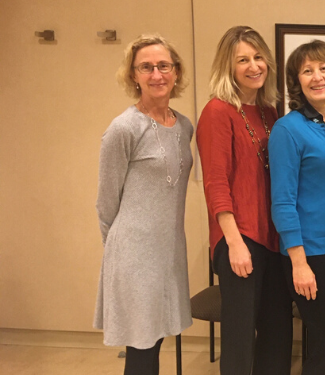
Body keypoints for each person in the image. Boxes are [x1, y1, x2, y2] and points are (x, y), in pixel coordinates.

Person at [196, 26, 292, 375]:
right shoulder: (217, 112)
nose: (254, 66)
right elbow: (216, 183)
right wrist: (233, 242)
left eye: (258, 57)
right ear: (228, 66)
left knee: (277, 333)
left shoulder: (269, 111)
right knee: (239, 340)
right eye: (243, 60)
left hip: (271, 238)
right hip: (239, 239)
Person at [94, 34, 193, 375]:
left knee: (157, 341)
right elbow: (106, 203)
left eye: (163, 66)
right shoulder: (123, 129)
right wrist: (120, 254)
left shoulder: (184, 126)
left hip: (167, 250)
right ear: (133, 75)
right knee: (141, 348)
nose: (156, 74)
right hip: (134, 254)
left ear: (176, 72)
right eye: (146, 67)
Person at [268, 40, 325, 375]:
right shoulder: (288, 129)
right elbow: (282, 201)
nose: (317, 77)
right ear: (297, 81)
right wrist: (299, 263)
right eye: (308, 71)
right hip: (311, 253)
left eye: (323, 68)